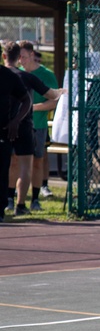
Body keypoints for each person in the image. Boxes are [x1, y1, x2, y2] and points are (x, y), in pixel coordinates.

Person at [3, 41, 61, 217]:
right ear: (19, 58)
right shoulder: (25, 77)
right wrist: (61, 92)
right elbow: (51, 94)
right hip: (24, 125)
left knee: (8, 164)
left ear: (4, 56)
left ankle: (10, 201)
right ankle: (19, 204)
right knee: (24, 166)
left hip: (6, 126)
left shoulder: (6, 75)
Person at [18, 43, 58, 205]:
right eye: (19, 57)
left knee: (38, 160)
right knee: (15, 160)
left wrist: (32, 108)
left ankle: (36, 198)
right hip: (17, 126)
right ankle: (12, 198)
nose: (21, 61)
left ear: (32, 55)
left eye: (24, 57)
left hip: (38, 125)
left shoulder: (46, 75)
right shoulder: (16, 73)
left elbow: (54, 100)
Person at [1, 59, 32, 221]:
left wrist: (16, 120)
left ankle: (3, 207)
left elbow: (26, 100)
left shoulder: (9, 76)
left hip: (4, 131)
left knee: (3, 170)